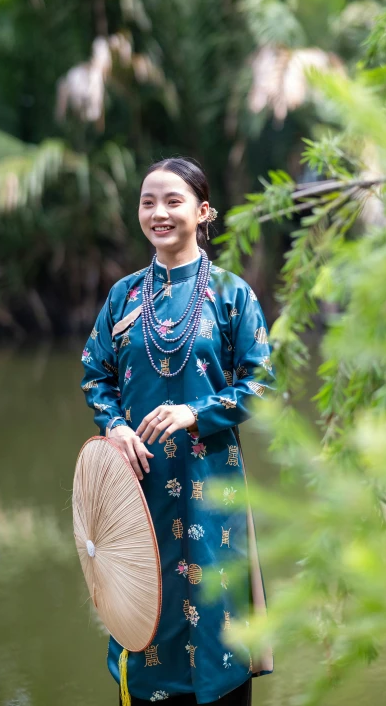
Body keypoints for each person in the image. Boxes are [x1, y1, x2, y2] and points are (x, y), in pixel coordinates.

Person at [80, 157, 275, 705]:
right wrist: (115, 426)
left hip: (211, 486)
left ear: (203, 211)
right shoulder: (121, 298)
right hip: (138, 488)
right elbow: (96, 374)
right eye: (148, 202)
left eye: (173, 201)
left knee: (216, 607)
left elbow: (262, 385)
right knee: (147, 611)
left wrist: (198, 412)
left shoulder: (232, 295)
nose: (159, 213)